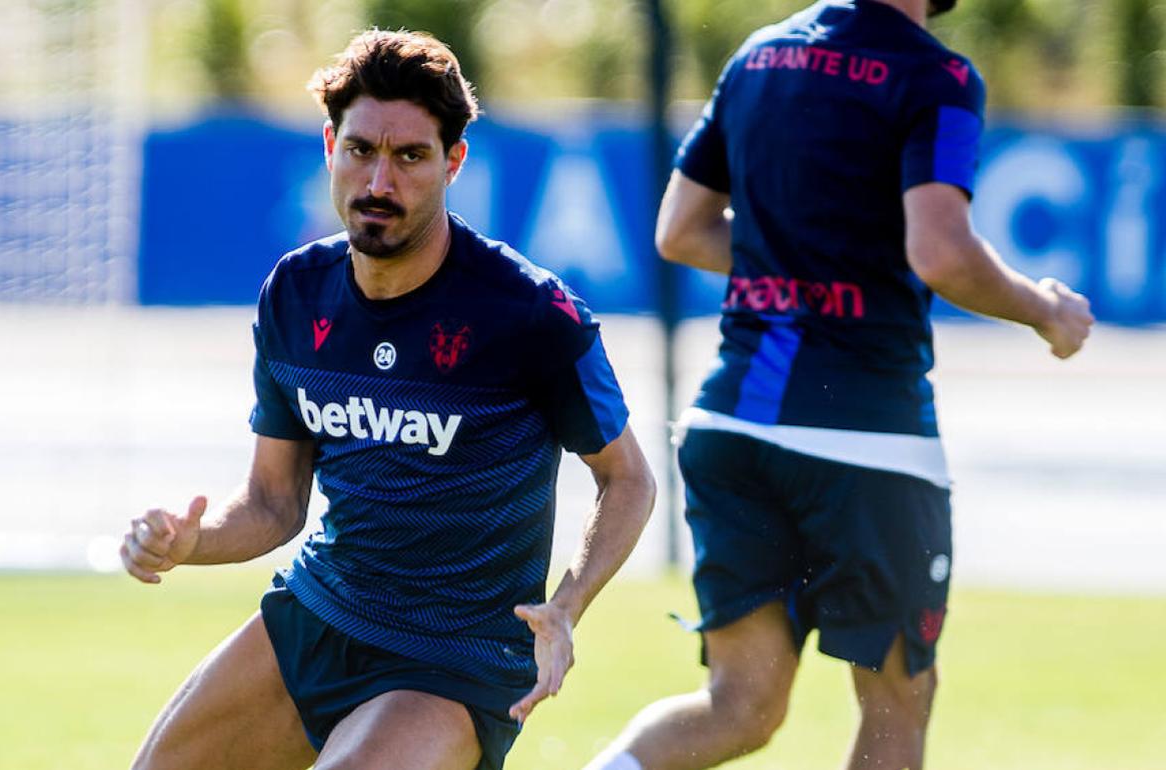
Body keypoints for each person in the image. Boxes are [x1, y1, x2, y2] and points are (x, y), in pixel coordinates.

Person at [119, 29, 655, 770]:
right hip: (319, 616)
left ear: (453, 162)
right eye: (362, 150)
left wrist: (566, 608)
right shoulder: (295, 292)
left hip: (454, 658)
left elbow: (627, 479)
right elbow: (275, 505)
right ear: (330, 147)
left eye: (410, 157)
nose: (379, 183)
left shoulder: (529, 313)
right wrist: (189, 545)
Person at [585, 1, 1093, 769]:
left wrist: (794, 274)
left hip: (730, 426)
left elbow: (680, 230)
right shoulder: (938, 74)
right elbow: (943, 253)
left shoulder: (758, 55)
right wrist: (1045, 311)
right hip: (866, 435)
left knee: (739, 706)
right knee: (896, 707)